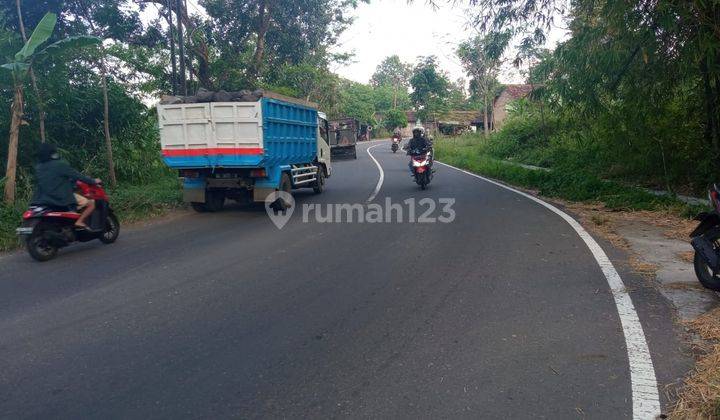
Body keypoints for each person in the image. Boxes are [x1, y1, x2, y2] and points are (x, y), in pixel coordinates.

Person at [32, 143, 101, 229]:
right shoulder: (60, 165)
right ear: (52, 153)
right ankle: (79, 221)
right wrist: (93, 181)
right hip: (61, 198)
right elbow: (77, 176)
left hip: (41, 200)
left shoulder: (38, 167)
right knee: (91, 203)